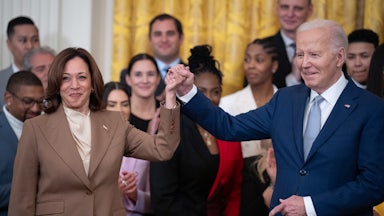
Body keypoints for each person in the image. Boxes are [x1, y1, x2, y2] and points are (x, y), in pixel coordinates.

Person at [171, 19, 384, 215]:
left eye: (314, 55)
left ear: (339, 57)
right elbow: (229, 127)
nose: (304, 63)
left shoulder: (371, 109)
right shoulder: (285, 99)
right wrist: (189, 93)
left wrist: (310, 206)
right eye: (300, 55)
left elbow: (374, 185)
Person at [8, 47, 182, 216]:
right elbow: (22, 201)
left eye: (82, 77)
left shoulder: (115, 123)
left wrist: (170, 95)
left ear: (92, 83)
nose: (74, 85)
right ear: (57, 83)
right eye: (66, 78)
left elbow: (163, 148)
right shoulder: (35, 129)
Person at [150, 45, 243, 216]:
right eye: (201, 92)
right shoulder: (172, 128)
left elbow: (234, 190)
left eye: (215, 92)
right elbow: (162, 198)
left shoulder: (227, 128)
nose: (208, 99)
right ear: (186, 92)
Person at [219, 38, 278, 216]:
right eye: (247, 59)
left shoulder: (288, 102)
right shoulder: (227, 104)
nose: (251, 65)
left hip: (279, 182)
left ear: (274, 66)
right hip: (238, 185)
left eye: (259, 60)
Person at [121, 53, 164, 216]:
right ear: (128, 79)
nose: (145, 80)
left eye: (150, 74)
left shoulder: (166, 115)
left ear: (159, 78)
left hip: (157, 201)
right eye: (138, 74)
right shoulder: (118, 113)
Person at [0, 71, 44, 216]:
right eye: (28, 101)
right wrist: (35, 184)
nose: (36, 109)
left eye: (40, 102)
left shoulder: (48, 128)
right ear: (9, 98)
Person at [120, 13, 185, 99]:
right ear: (149, 39)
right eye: (158, 34)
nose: (164, 40)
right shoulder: (128, 75)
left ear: (181, 38)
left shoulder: (194, 74)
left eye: (170, 33)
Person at [266, 0, 313, 88]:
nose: (290, 14)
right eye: (285, 7)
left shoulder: (323, 48)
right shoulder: (261, 48)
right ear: (277, 9)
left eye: (298, 8)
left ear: (309, 10)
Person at [0, 16, 40, 108]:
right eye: (23, 40)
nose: (30, 46)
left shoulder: (49, 78)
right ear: (9, 44)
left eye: (35, 40)